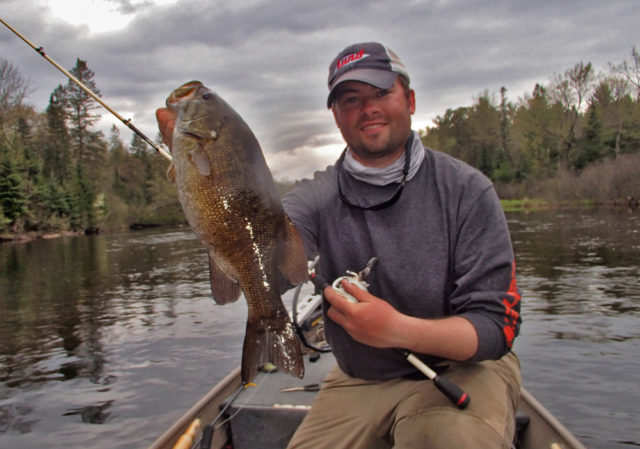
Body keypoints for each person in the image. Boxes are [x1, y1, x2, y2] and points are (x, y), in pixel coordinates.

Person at [157, 42, 522, 449]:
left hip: (464, 371)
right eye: (351, 98)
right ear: (335, 115)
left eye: (381, 93)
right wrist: (211, 191)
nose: (368, 108)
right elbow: (268, 273)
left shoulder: (467, 191)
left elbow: (496, 328)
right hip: (358, 379)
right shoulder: (316, 196)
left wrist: (398, 330)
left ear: (411, 100)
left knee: (448, 441)